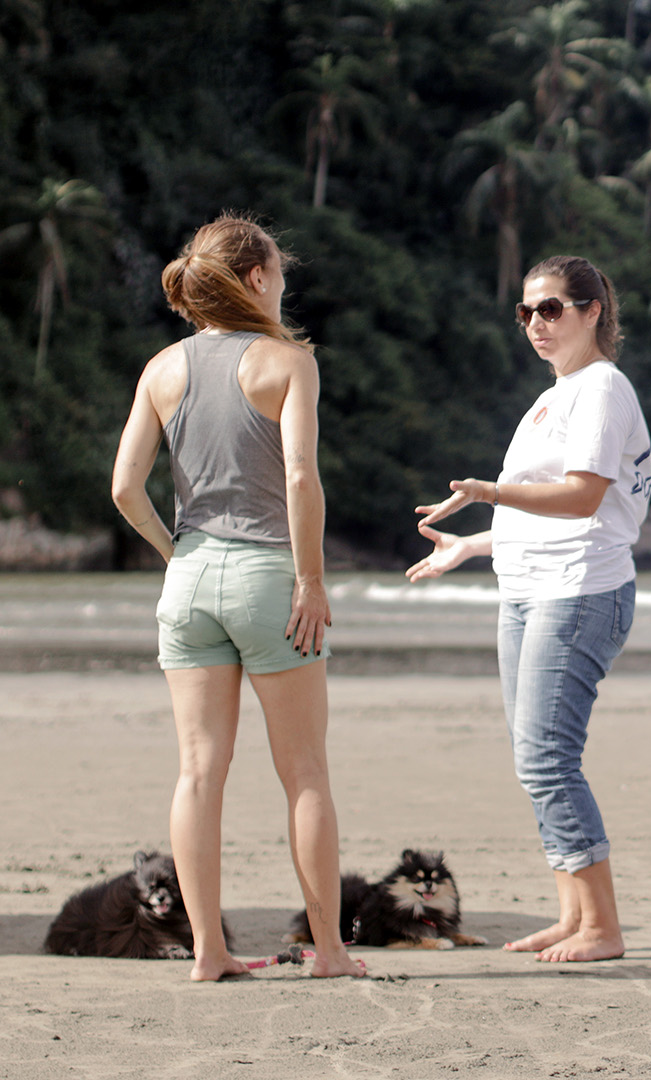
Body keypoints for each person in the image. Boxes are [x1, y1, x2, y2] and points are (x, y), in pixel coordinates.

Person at [108, 214, 361, 981]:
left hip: (190, 579)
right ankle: (328, 954)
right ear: (255, 279)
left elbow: (124, 488)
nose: (284, 284)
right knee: (306, 773)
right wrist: (311, 582)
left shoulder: (161, 369)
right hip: (266, 577)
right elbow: (298, 478)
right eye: (279, 272)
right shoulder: (286, 363)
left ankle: (209, 952)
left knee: (197, 772)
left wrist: (173, 552)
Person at [407, 255, 651, 963]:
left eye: (550, 309)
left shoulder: (601, 389)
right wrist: (473, 547)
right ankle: (573, 917)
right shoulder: (559, 393)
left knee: (548, 759)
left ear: (592, 310)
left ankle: (602, 927)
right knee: (534, 759)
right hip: (532, 589)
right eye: (525, 311)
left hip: (579, 593)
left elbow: (582, 498)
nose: (535, 324)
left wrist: (487, 491)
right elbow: (554, 514)